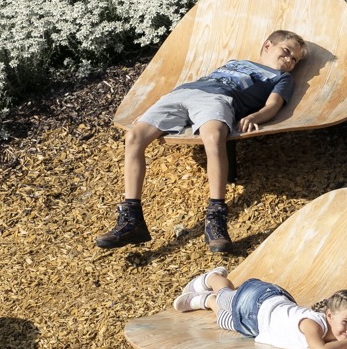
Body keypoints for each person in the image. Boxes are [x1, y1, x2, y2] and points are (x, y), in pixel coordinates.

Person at [96, 30, 307, 255]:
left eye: (294, 59)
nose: (289, 60)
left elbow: (273, 105)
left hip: (218, 100)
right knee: (134, 137)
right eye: (286, 52)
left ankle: (216, 217)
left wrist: (255, 116)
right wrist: (150, 110)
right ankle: (131, 219)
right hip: (182, 93)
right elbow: (202, 81)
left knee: (214, 136)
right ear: (267, 46)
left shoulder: (281, 78)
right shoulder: (236, 63)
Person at [172, 266, 347, 349]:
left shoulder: (341, 334)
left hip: (259, 326)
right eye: (346, 323)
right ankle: (214, 278)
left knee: (223, 320)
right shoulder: (311, 325)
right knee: (226, 297)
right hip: (257, 302)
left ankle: (206, 301)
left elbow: (346, 343)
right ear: (329, 316)